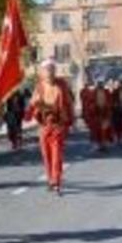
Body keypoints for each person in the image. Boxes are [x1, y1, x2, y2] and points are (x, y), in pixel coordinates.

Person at [26, 58, 73, 194]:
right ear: (42, 72)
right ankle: (50, 179)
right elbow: (33, 103)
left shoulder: (62, 85)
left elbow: (68, 102)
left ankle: (56, 181)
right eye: (47, 70)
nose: (50, 72)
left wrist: (69, 120)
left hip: (58, 125)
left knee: (57, 154)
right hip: (44, 125)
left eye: (52, 69)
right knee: (46, 155)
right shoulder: (39, 87)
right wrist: (34, 108)